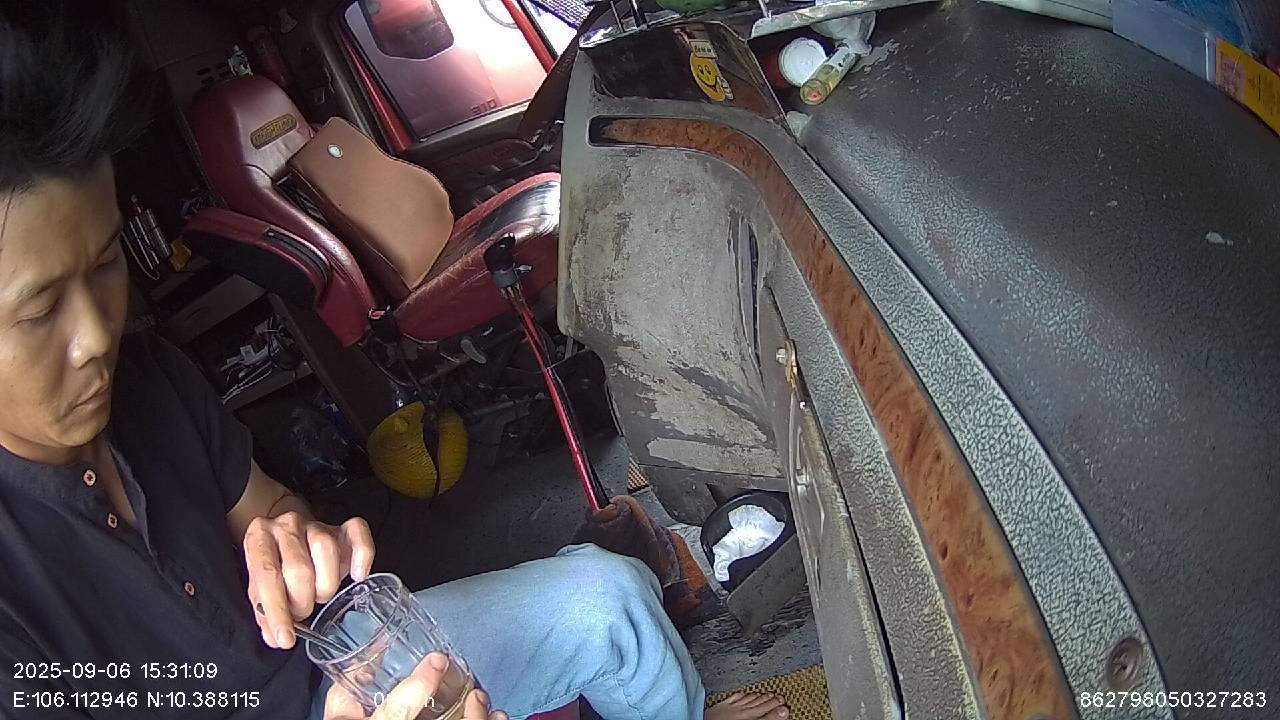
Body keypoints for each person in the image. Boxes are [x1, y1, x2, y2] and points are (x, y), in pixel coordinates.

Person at [0, 4, 792, 720]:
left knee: (610, 600)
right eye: (38, 311)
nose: (96, 335)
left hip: (335, 666)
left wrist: (297, 539)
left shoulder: (153, 377)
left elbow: (270, 510)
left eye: (105, 264)